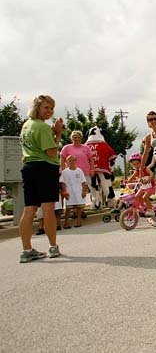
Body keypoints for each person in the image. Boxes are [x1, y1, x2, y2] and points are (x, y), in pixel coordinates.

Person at [18, 95, 62, 262]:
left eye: (51, 108)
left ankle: (26, 250)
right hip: (45, 168)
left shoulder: (26, 125)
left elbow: (35, 142)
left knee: (29, 209)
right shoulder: (42, 127)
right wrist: (57, 134)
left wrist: (52, 131)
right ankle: (52, 247)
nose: (49, 111)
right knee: (48, 209)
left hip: (28, 167)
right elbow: (51, 152)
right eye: (46, 108)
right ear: (37, 108)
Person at [126, 152, 156, 219]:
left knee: (145, 197)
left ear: (142, 163)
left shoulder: (145, 168)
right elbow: (130, 178)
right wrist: (126, 181)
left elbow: (152, 175)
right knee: (137, 196)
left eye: (138, 163)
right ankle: (144, 207)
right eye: (134, 164)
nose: (136, 165)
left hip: (150, 187)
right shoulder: (136, 171)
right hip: (143, 187)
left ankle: (151, 211)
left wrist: (148, 178)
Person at [60, 155, 88, 228]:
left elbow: (83, 182)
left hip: (79, 192)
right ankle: (67, 223)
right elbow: (62, 183)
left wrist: (84, 191)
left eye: (73, 160)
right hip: (70, 193)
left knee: (79, 208)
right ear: (67, 162)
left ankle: (78, 221)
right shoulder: (64, 172)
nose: (71, 162)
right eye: (70, 160)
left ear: (76, 161)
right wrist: (64, 192)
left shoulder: (79, 170)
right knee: (68, 208)